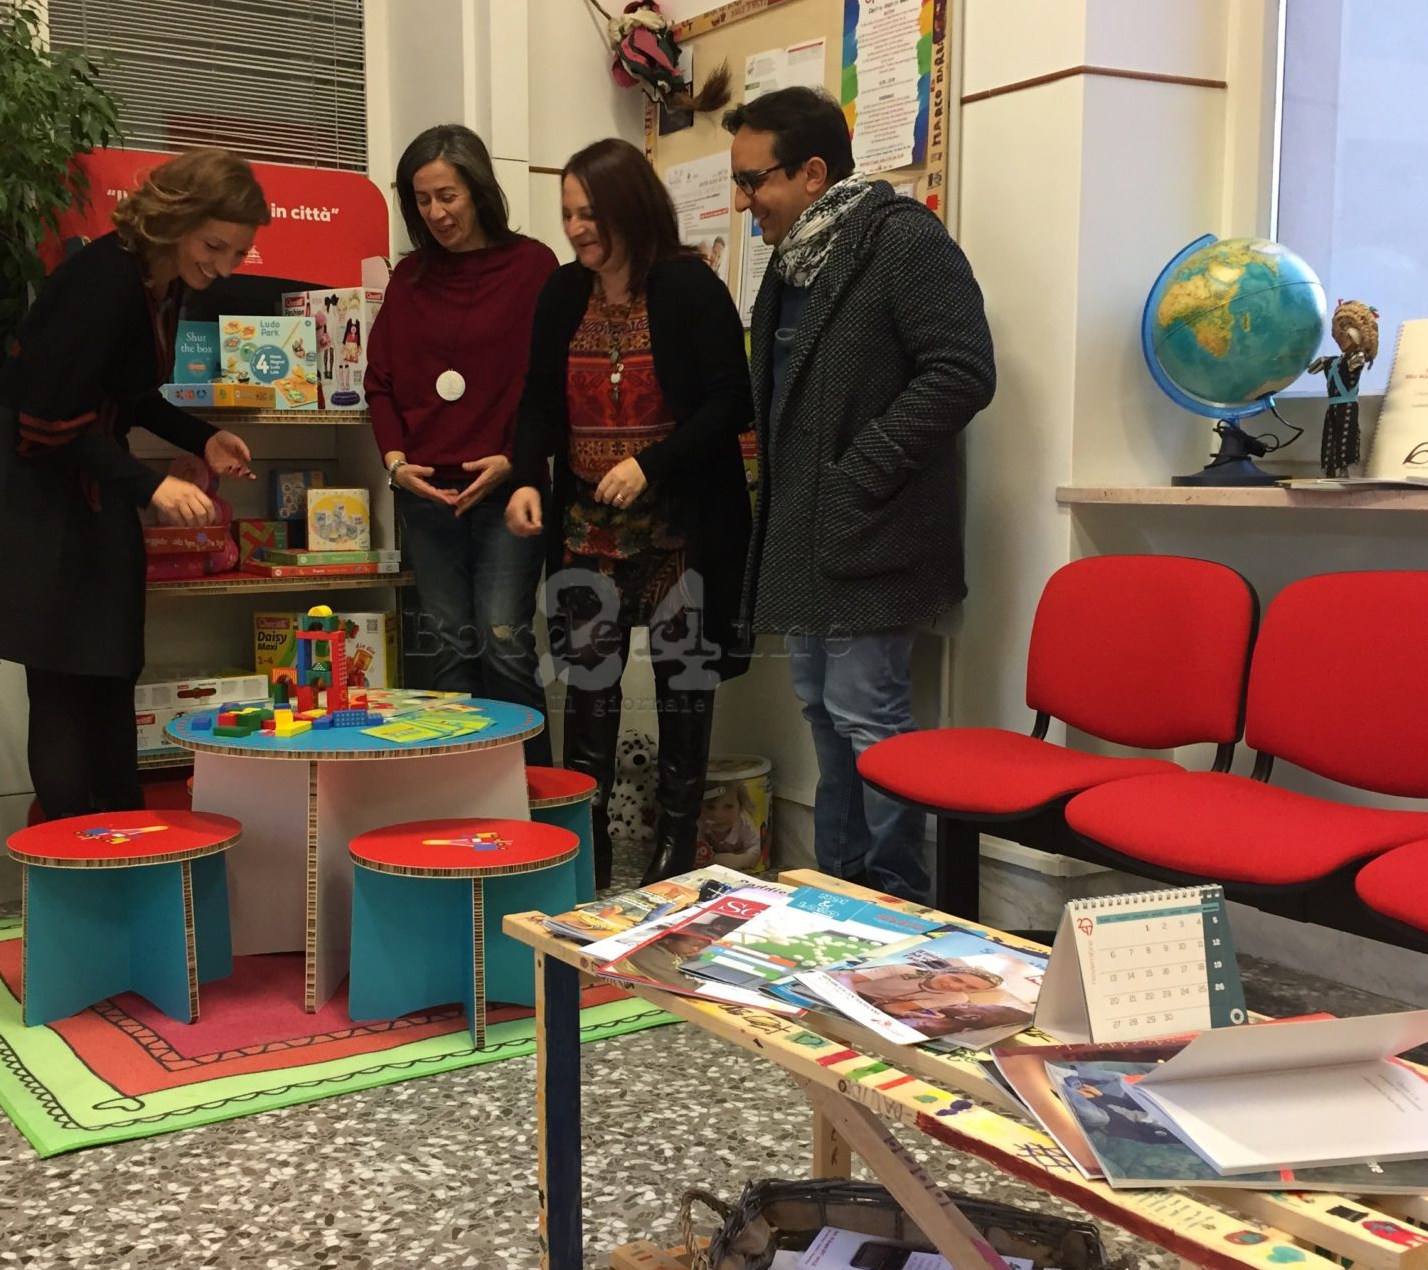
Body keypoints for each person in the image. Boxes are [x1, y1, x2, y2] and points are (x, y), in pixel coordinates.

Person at [0, 148, 267, 820]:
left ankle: (123, 836)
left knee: (109, 663)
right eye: (214, 246)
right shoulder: (104, 279)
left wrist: (201, 438)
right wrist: (150, 488)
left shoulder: (162, 281)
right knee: (64, 678)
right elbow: (48, 421)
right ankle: (77, 848)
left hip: (84, 475)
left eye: (238, 253)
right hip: (30, 482)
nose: (223, 265)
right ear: (176, 221)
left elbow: (126, 394)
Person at [725, 87, 995, 905]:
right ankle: (839, 890)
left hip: (870, 530)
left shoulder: (902, 240)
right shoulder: (794, 261)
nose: (742, 201)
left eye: (753, 180)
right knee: (822, 712)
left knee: (868, 717)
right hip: (805, 534)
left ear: (813, 173)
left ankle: (898, 897)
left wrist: (862, 469)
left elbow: (962, 370)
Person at [507, 138, 753, 885]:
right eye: (568, 214)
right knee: (588, 694)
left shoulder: (690, 286)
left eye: (591, 213)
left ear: (631, 210)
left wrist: (649, 463)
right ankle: (588, 857)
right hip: (588, 526)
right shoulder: (561, 292)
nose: (577, 228)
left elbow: (730, 404)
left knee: (684, 691)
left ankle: (675, 858)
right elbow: (537, 402)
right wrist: (527, 477)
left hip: (681, 524)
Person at [367, 125, 559, 764]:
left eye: (447, 196)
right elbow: (379, 384)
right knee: (448, 652)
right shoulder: (409, 279)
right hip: (427, 496)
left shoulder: (532, 267)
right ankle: (464, 796)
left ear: (478, 190)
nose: (436, 213)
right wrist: (396, 465)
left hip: (508, 491)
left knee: (505, 644)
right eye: (421, 200)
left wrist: (516, 461)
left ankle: (531, 800)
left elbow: (552, 383)